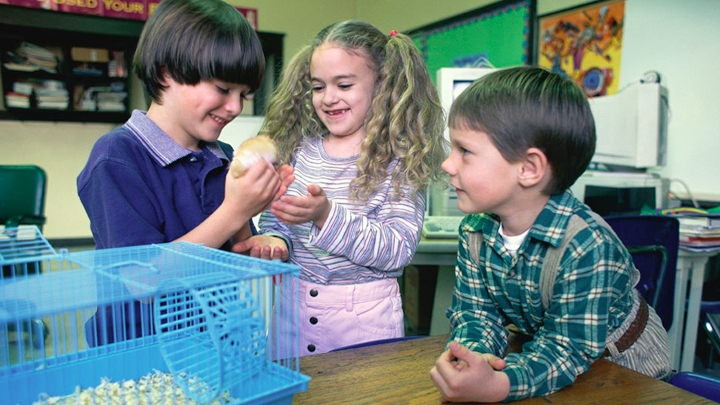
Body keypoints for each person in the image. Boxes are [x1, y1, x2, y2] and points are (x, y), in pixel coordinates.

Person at [429, 66, 672, 402]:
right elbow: (476, 314)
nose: (447, 164)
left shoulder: (586, 244)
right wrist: (475, 358)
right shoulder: (474, 230)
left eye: (465, 151)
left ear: (529, 169)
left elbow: (565, 349)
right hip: (545, 363)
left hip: (626, 371)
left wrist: (499, 384)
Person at [76, 0, 292, 346]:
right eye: (223, 89)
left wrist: (264, 241)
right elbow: (144, 282)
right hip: (141, 354)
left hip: (218, 346)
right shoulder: (116, 158)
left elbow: (236, 247)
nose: (235, 107)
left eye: (244, 94)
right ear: (166, 73)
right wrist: (235, 210)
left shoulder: (223, 156)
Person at [233, 20, 447, 355]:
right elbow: (280, 218)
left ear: (383, 85)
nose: (328, 98)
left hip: (363, 321)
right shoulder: (300, 150)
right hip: (292, 311)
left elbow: (398, 249)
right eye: (318, 87)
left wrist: (326, 215)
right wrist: (275, 240)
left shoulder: (398, 162)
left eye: (344, 85)